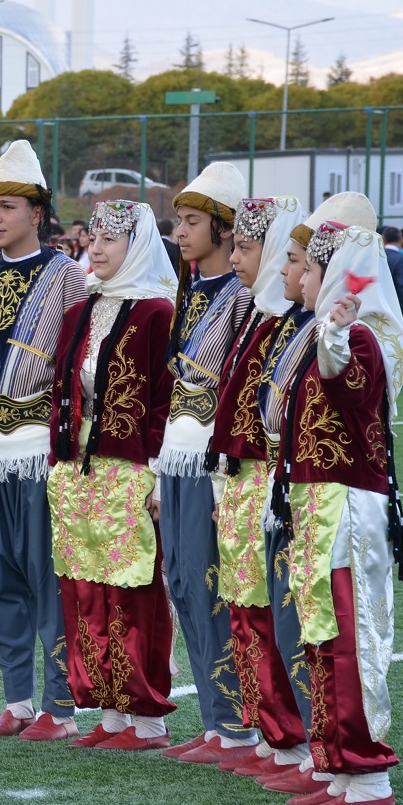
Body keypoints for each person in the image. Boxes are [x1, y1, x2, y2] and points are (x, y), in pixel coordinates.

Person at [269, 209, 403, 805]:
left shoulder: (362, 338)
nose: (311, 275)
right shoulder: (342, 333)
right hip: (321, 503)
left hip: (347, 508)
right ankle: (337, 765)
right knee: (323, 635)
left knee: (347, 636)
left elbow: (345, 385)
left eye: (319, 264)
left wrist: (332, 330)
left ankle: (367, 777)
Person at [0, 140, 86, 740]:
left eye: (8, 206)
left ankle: (59, 704)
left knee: (46, 576)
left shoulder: (67, 277)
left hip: (40, 447)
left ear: (38, 214)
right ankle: (17, 699)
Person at [47, 199, 179, 750]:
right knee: (83, 589)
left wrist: (153, 469)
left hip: (129, 467)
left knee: (132, 589)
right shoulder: (80, 311)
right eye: (91, 239)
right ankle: (106, 711)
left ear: (139, 246)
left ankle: (146, 716)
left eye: (109, 240)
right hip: (77, 470)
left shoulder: (157, 312)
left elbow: (163, 399)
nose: (94, 250)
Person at [208, 195, 313, 782]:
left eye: (249, 248)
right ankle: (272, 732)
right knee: (246, 607)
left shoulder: (288, 325)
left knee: (276, 613)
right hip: (242, 484)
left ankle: (293, 738)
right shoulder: (260, 316)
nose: (242, 260)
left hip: (270, 484)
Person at [161, 161, 258, 763]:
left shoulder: (244, 299)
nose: (180, 233)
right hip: (175, 455)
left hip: (212, 461)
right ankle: (216, 719)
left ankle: (238, 720)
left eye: (192, 221)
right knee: (182, 583)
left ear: (224, 230)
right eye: (178, 222)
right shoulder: (190, 291)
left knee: (211, 584)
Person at [380, 226, 403, 322]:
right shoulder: (401, 259)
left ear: (383, 239)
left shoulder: (376, 256)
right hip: (397, 306)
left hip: (380, 304)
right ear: (401, 239)